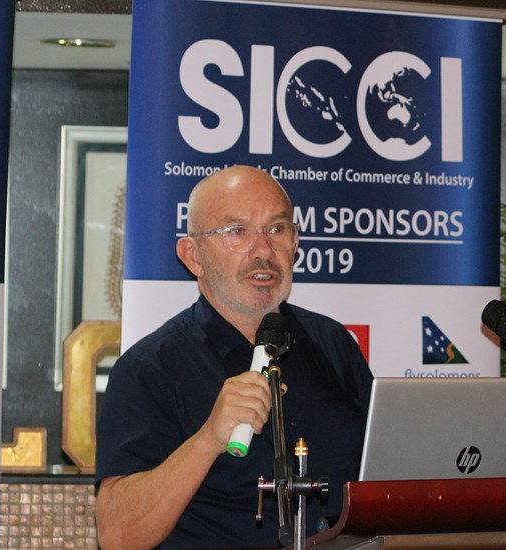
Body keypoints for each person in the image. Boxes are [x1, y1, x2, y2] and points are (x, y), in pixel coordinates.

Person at [95, 165, 374, 549]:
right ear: (193, 256)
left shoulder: (333, 344)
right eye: (237, 232)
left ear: (295, 244)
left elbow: (386, 478)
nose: (263, 251)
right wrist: (207, 440)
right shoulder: (149, 369)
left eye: (277, 229)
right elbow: (117, 534)